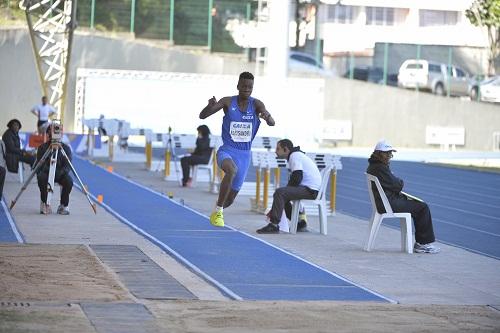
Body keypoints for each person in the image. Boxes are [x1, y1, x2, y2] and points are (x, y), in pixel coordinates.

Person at [200, 71, 275, 227]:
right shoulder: (227, 102)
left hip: (244, 156)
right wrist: (209, 106)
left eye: (250, 87)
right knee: (231, 170)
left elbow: (271, 121)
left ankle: (217, 210)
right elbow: (203, 116)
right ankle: (219, 210)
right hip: (227, 150)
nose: (247, 89)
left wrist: (267, 117)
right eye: (244, 86)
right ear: (238, 86)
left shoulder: (256, 104)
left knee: (231, 199)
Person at [366, 139, 440, 254]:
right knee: (422, 207)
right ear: (379, 153)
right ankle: (422, 244)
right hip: (388, 204)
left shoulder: (374, 166)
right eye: (387, 153)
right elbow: (397, 185)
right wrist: (398, 181)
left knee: (418, 204)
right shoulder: (380, 168)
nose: (390, 156)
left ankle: (421, 243)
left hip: (384, 202)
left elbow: (392, 183)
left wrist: (395, 181)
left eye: (391, 153)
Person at [256, 139, 321, 234]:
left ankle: (274, 224)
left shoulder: (294, 156)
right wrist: (287, 190)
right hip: (310, 189)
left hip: (310, 190)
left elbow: (297, 176)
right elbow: (296, 179)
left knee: (280, 193)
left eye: (278, 149)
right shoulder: (296, 155)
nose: (275, 151)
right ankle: (299, 223)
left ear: (285, 149)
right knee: (283, 194)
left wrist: (286, 190)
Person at [36, 124, 73, 215]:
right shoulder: (42, 148)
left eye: (58, 132)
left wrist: (59, 173)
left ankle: (64, 205)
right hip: (46, 173)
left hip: (60, 174)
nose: (56, 134)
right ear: (48, 133)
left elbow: (67, 166)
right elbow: (40, 165)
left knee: (69, 181)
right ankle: (45, 203)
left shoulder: (66, 148)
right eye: (53, 131)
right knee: (41, 177)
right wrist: (50, 171)